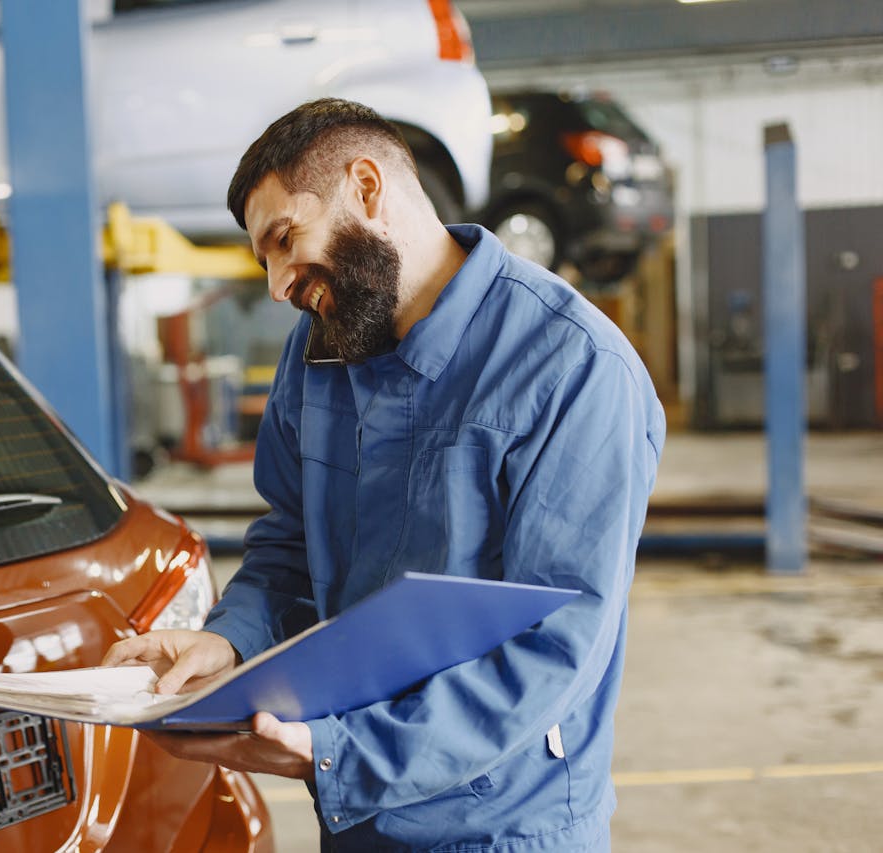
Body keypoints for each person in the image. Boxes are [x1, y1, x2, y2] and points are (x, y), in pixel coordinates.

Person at [103, 97, 666, 852]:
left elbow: (554, 644)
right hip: (357, 813)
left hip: (502, 826)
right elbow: (289, 542)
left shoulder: (571, 367)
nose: (276, 284)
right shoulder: (322, 352)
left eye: (283, 238)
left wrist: (344, 754)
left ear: (367, 188)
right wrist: (227, 643)